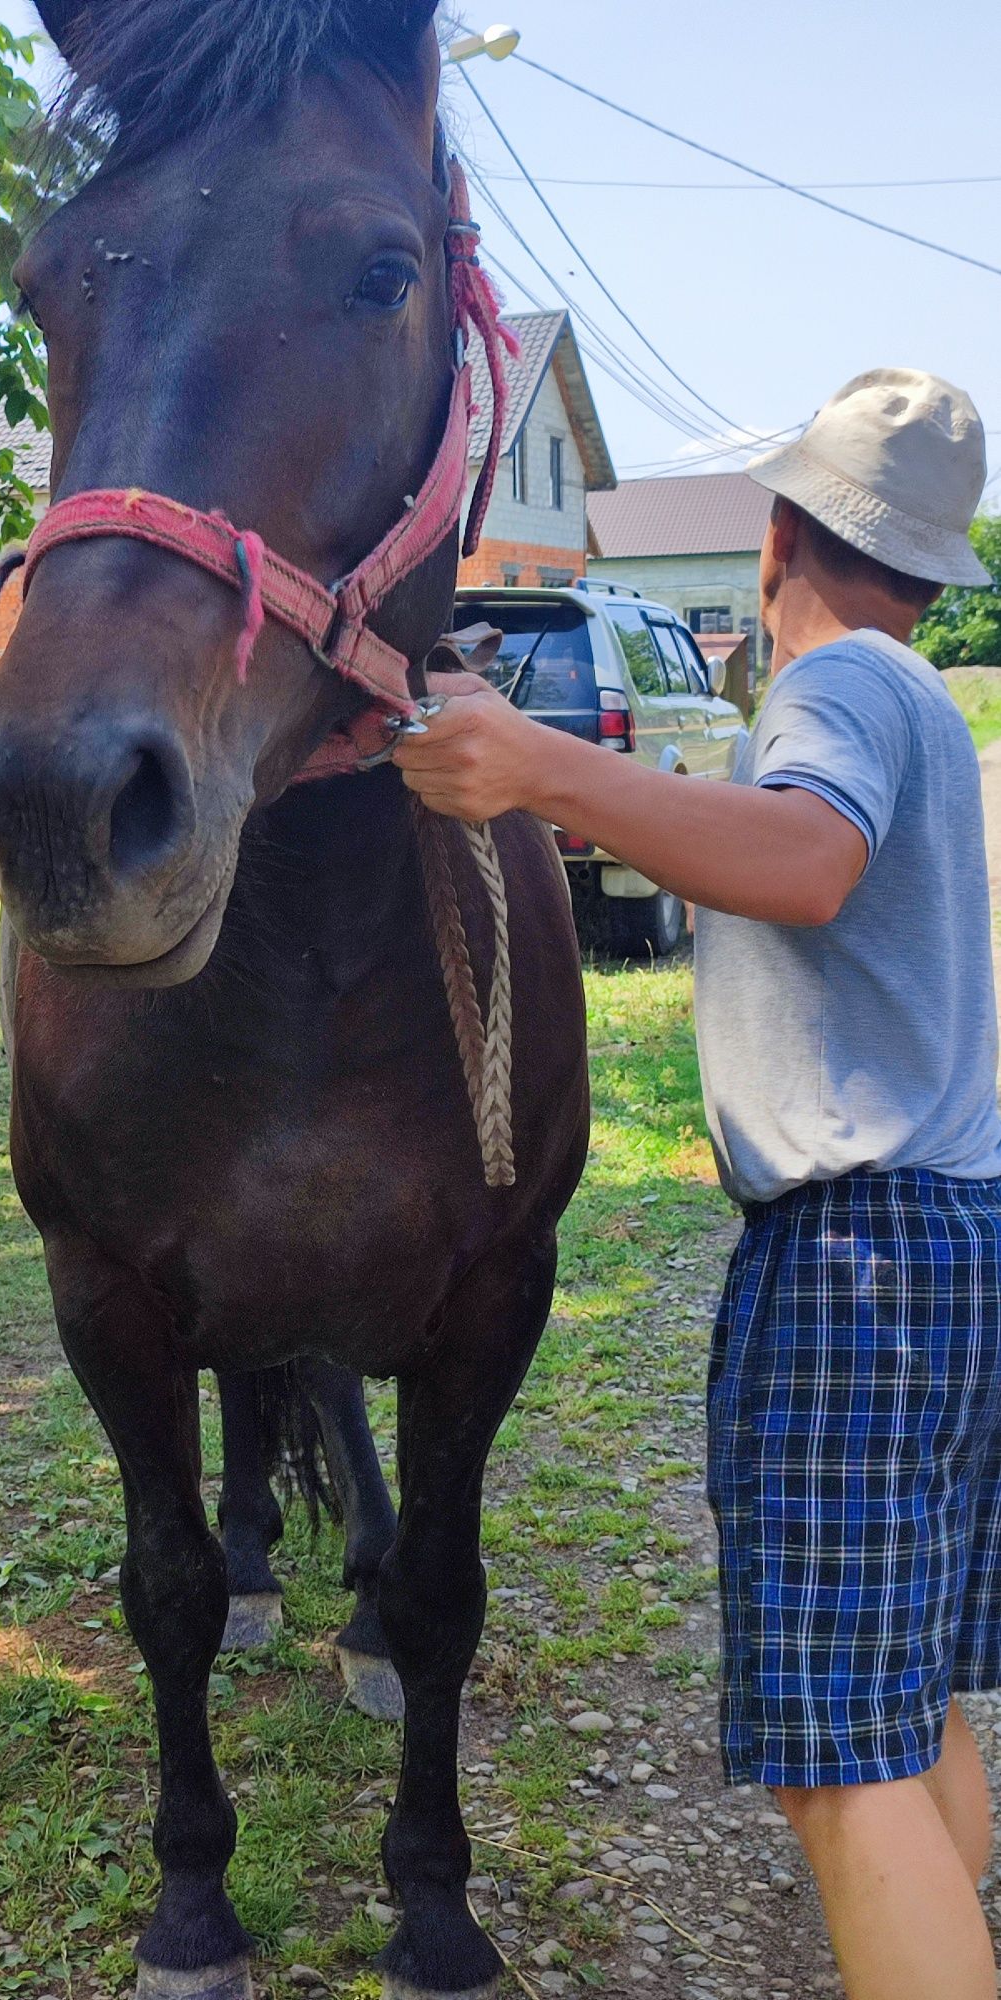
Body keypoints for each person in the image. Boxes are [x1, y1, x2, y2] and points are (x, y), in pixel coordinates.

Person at [395, 368, 1001, 2000]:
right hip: (951, 1248)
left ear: (780, 531)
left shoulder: (844, 688)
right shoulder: (922, 697)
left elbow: (804, 862)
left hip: (858, 1264)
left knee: (839, 1765)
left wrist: (539, 769)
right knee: (910, 1706)